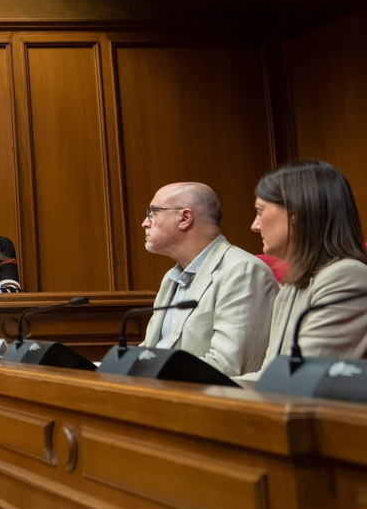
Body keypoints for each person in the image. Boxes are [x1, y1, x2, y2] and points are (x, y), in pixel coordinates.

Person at [239, 160, 367, 387]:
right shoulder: (291, 288)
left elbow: (299, 378)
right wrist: (202, 390)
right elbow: (269, 374)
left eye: (260, 211)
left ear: (295, 213)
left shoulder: (346, 276)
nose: (254, 226)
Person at [139, 181, 274, 376]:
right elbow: (150, 351)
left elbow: (228, 365)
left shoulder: (242, 271)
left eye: (153, 213)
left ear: (185, 218)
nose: (145, 222)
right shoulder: (171, 278)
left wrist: (151, 373)